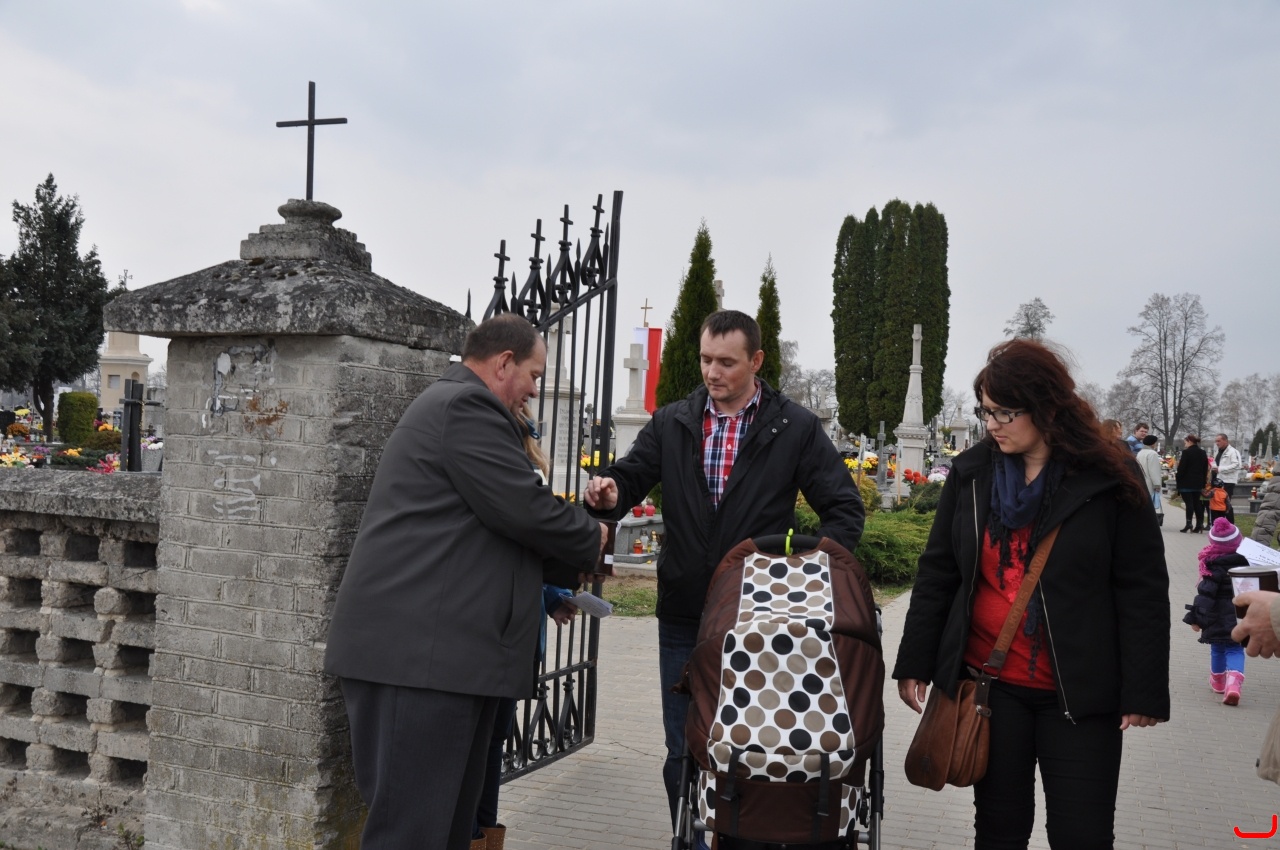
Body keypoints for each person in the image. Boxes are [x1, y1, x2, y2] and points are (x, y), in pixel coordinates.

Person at [324, 313, 607, 850]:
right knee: (411, 835)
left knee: (449, 832)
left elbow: (497, 531)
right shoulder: (465, 406)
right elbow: (522, 509)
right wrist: (594, 537)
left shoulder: (462, 407)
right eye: (534, 374)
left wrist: (567, 567)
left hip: (443, 662)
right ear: (504, 363)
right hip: (418, 666)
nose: (535, 389)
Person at [583, 309, 865, 838]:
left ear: (756, 361)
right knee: (682, 747)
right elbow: (630, 477)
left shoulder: (794, 427)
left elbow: (844, 509)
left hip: (761, 619)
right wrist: (609, 493)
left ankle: (741, 838)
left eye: (727, 362)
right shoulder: (673, 421)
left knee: (750, 746)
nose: (713, 372)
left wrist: (805, 574)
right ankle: (688, 839)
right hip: (685, 613)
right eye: (706, 360)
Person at [893, 338, 1169, 850]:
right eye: (986, 411)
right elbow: (939, 573)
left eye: (1005, 412)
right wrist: (915, 660)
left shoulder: (1108, 478)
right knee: (999, 832)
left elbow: (1142, 588)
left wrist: (1144, 688)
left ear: (1047, 408)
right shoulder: (972, 473)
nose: (992, 424)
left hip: (1081, 694)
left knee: (1082, 835)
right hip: (991, 689)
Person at [1183, 518, 1248, 705]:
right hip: (1240, 614)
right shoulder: (1248, 563)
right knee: (1235, 649)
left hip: (1216, 616)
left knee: (1217, 648)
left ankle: (1219, 682)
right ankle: (1234, 685)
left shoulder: (1213, 566)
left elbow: (1205, 594)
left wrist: (1196, 618)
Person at [1175, 434, 1211, 533]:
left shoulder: (1186, 452)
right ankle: (1199, 524)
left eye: (1185, 442)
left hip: (1186, 482)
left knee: (1189, 503)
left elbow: (1182, 468)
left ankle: (1189, 523)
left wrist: (1178, 477)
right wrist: (1203, 482)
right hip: (1198, 482)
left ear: (1190, 441)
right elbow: (1205, 468)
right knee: (1197, 503)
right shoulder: (1202, 452)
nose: (1185, 444)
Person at [1213, 433, 1243, 523]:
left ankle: (1231, 524)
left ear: (1226, 441)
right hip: (1218, 481)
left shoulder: (1233, 452)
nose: (1217, 443)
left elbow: (1237, 465)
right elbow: (1216, 463)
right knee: (1218, 504)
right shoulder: (1218, 451)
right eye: (1216, 441)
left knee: (1226, 504)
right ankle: (1220, 524)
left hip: (1228, 481)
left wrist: (1220, 469)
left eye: (1219, 441)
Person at [1136, 434, 1164, 525]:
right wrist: (1157, 484)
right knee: (1150, 504)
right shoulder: (1152, 454)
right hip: (1149, 482)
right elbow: (1153, 470)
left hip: (1141, 481)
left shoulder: (1140, 453)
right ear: (1153, 443)